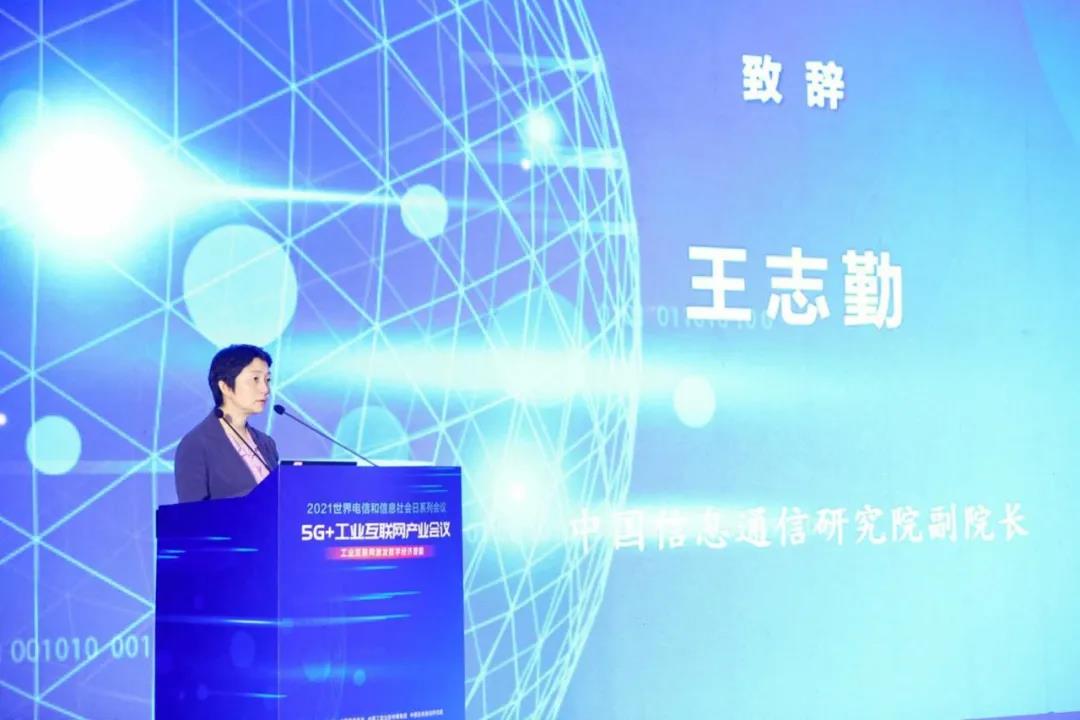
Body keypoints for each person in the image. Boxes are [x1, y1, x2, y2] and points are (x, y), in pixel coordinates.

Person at [174, 344, 280, 502]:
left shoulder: (266, 443)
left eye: (267, 380)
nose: (266, 389)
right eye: (255, 379)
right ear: (225, 386)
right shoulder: (196, 445)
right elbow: (192, 513)